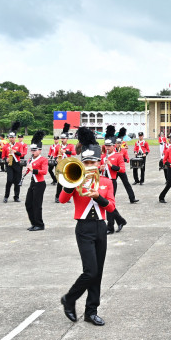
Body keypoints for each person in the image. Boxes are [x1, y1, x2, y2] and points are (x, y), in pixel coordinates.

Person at [60, 127, 116, 326]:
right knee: (90, 271)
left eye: (93, 162)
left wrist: (98, 196)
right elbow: (62, 199)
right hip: (83, 228)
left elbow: (111, 206)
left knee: (98, 272)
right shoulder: (76, 180)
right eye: (87, 162)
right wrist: (71, 184)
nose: (90, 165)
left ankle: (91, 311)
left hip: (100, 227)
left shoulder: (106, 182)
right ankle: (70, 298)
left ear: (100, 164)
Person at [23, 131, 47, 231]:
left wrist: (33, 170)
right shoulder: (30, 159)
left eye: (34, 150)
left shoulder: (43, 159)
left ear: (40, 150)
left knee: (37, 205)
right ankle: (33, 223)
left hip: (40, 184)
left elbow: (44, 172)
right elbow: (30, 169)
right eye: (31, 150)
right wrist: (26, 171)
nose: (32, 152)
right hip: (33, 183)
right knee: (28, 203)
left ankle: (40, 224)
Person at [112, 127, 138, 204]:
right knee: (113, 185)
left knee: (126, 184)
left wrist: (122, 159)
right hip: (114, 169)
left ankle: (132, 198)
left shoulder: (123, 150)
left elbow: (127, 160)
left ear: (121, 144)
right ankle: (111, 199)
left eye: (120, 143)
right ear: (115, 144)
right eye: (117, 143)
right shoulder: (113, 150)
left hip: (121, 169)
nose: (118, 144)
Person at [2, 122, 23, 203]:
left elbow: (21, 154)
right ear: (8, 138)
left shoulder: (19, 145)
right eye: (10, 137)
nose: (11, 139)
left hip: (17, 163)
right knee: (9, 180)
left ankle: (16, 197)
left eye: (13, 137)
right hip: (9, 164)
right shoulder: (5, 146)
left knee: (17, 181)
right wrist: (5, 159)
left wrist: (15, 151)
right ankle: (6, 196)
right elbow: (3, 156)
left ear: (15, 138)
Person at [55, 124, 76, 202]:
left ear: (67, 139)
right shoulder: (58, 146)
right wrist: (56, 159)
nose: (62, 139)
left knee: (68, 182)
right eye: (62, 138)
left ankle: (66, 197)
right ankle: (57, 196)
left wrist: (66, 151)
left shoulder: (70, 145)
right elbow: (54, 155)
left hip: (68, 165)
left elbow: (74, 153)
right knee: (60, 182)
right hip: (60, 165)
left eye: (64, 138)